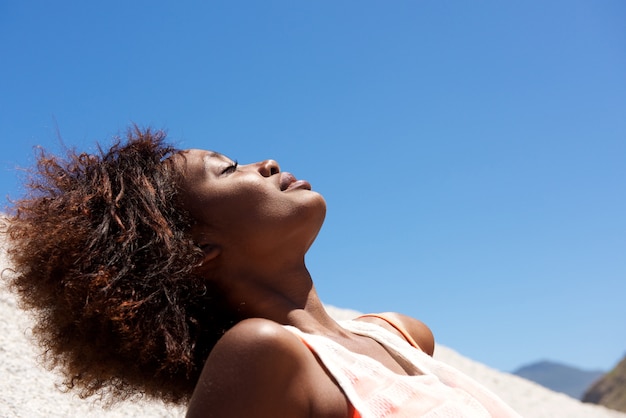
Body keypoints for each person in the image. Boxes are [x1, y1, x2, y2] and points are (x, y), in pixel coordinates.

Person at [4, 127, 520, 417]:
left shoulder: (402, 333)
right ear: (193, 248)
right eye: (227, 169)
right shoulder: (263, 355)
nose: (267, 162)